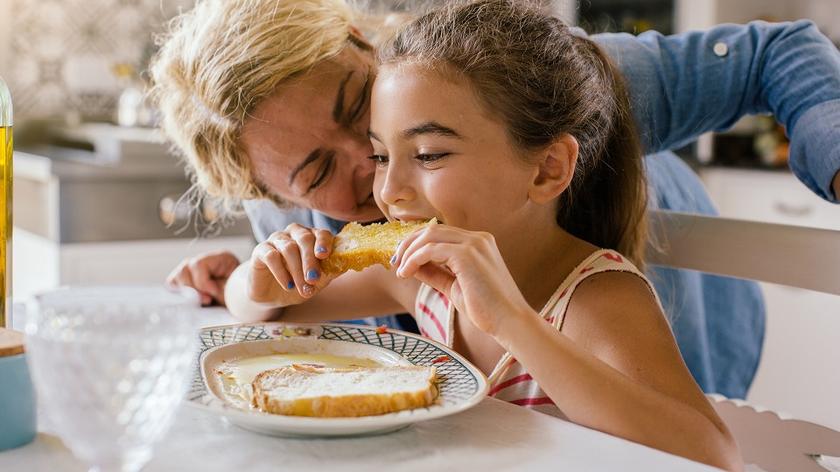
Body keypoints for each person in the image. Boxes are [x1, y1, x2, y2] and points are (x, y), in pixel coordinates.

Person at [152, 0, 840, 399]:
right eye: (316, 171)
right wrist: (245, 278)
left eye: (358, 102)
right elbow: (280, 300)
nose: (376, 167)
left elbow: (772, 53)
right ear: (270, 196)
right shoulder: (305, 227)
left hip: (689, 350)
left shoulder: (540, 87)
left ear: (363, 45)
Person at [225, 2, 742, 468]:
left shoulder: (594, 298)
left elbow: (713, 454)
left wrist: (511, 321)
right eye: (382, 155)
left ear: (546, 170)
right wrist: (261, 279)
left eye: (428, 155)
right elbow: (267, 310)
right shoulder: (415, 280)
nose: (390, 190)